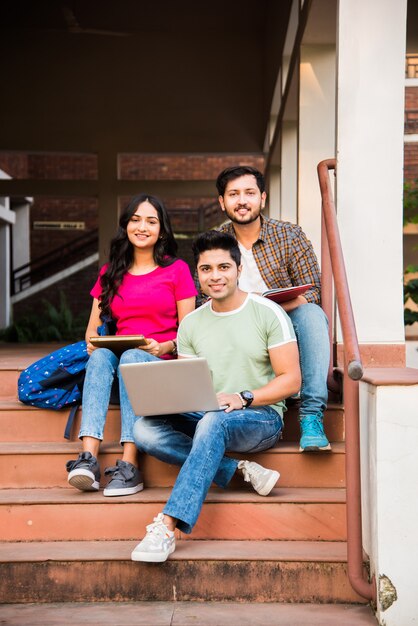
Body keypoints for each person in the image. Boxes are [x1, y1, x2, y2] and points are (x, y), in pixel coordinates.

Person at [130, 231, 301, 562]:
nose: (215, 276)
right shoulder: (191, 324)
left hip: (260, 416)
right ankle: (236, 470)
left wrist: (244, 397)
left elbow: (291, 380)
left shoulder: (267, 312)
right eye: (206, 269)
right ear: (198, 275)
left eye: (223, 267)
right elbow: (188, 387)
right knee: (143, 430)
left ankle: (167, 525)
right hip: (208, 413)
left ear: (238, 269)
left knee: (213, 421)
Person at [65, 194, 197, 496]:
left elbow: (190, 335)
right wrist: (93, 346)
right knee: (99, 359)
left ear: (162, 230)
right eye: (135, 219)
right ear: (126, 226)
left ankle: (129, 463)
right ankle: (88, 458)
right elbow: (91, 333)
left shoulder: (176, 271)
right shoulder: (109, 274)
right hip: (118, 366)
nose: (142, 227)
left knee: (133, 358)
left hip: (158, 364)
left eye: (151, 221)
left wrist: (162, 347)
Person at [213, 165, 331, 453]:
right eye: (234, 194)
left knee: (313, 314)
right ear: (222, 202)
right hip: (236, 325)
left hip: (285, 321)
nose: (242, 201)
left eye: (249, 193)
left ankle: (311, 415)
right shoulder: (215, 241)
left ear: (262, 198)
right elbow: (204, 298)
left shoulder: (289, 235)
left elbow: (314, 291)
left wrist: (269, 306)